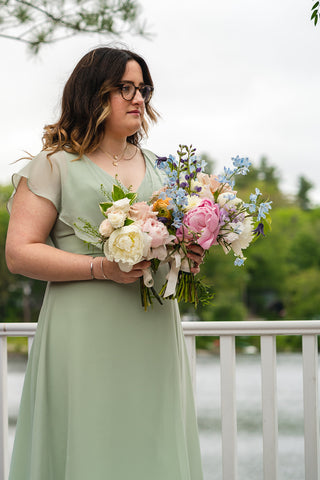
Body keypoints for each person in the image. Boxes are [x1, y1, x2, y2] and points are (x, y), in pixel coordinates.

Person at [5, 46, 204, 480]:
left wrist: (187, 255)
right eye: (125, 89)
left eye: (143, 89)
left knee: (151, 438)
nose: (138, 99)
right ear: (94, 95)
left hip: (151, 331)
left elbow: (174, 252)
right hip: (83, 332)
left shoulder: (162, 169)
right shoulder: (55, 165)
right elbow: (19, 253)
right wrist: (102, 268)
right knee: (90, 435)